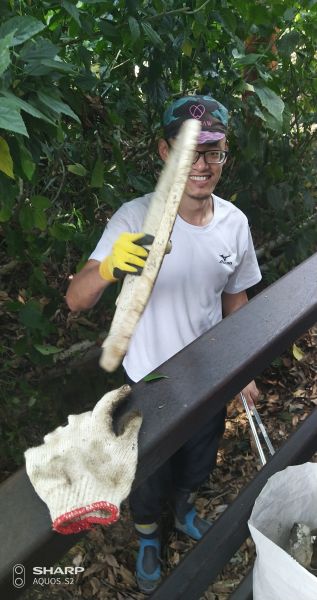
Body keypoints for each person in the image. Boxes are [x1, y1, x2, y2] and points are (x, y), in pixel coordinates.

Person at [66, 95, 262, 593]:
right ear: (163, 152)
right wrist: (110, 266)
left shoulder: (234, 224)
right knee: (149, 476)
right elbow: (76, 299)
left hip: (210, 376)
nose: (200, 165)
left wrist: (245, 370)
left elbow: (236, 297)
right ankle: (150, 536)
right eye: (187, 151)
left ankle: (186, 507)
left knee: (197, 460)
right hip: (148, 377)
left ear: (223, 156)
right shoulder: (135, 218)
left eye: (211, 152)